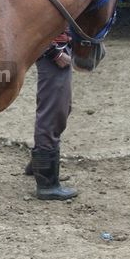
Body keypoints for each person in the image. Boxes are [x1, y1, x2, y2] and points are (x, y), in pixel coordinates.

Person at [26, 31, 78, 201]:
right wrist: (53, 52)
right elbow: (35, 24)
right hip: (54, 52)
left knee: (61, 108)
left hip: (58, 47)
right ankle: (46, 183)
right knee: (52, 113)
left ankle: (38, 166)